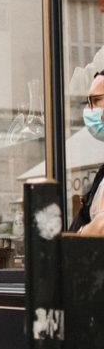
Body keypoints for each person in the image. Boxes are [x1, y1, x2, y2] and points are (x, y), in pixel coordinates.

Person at [73, 70, 104, 236]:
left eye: (96, 100)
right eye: (87, 102)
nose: (89, 110)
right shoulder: (101, 174)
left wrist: (80, 235)